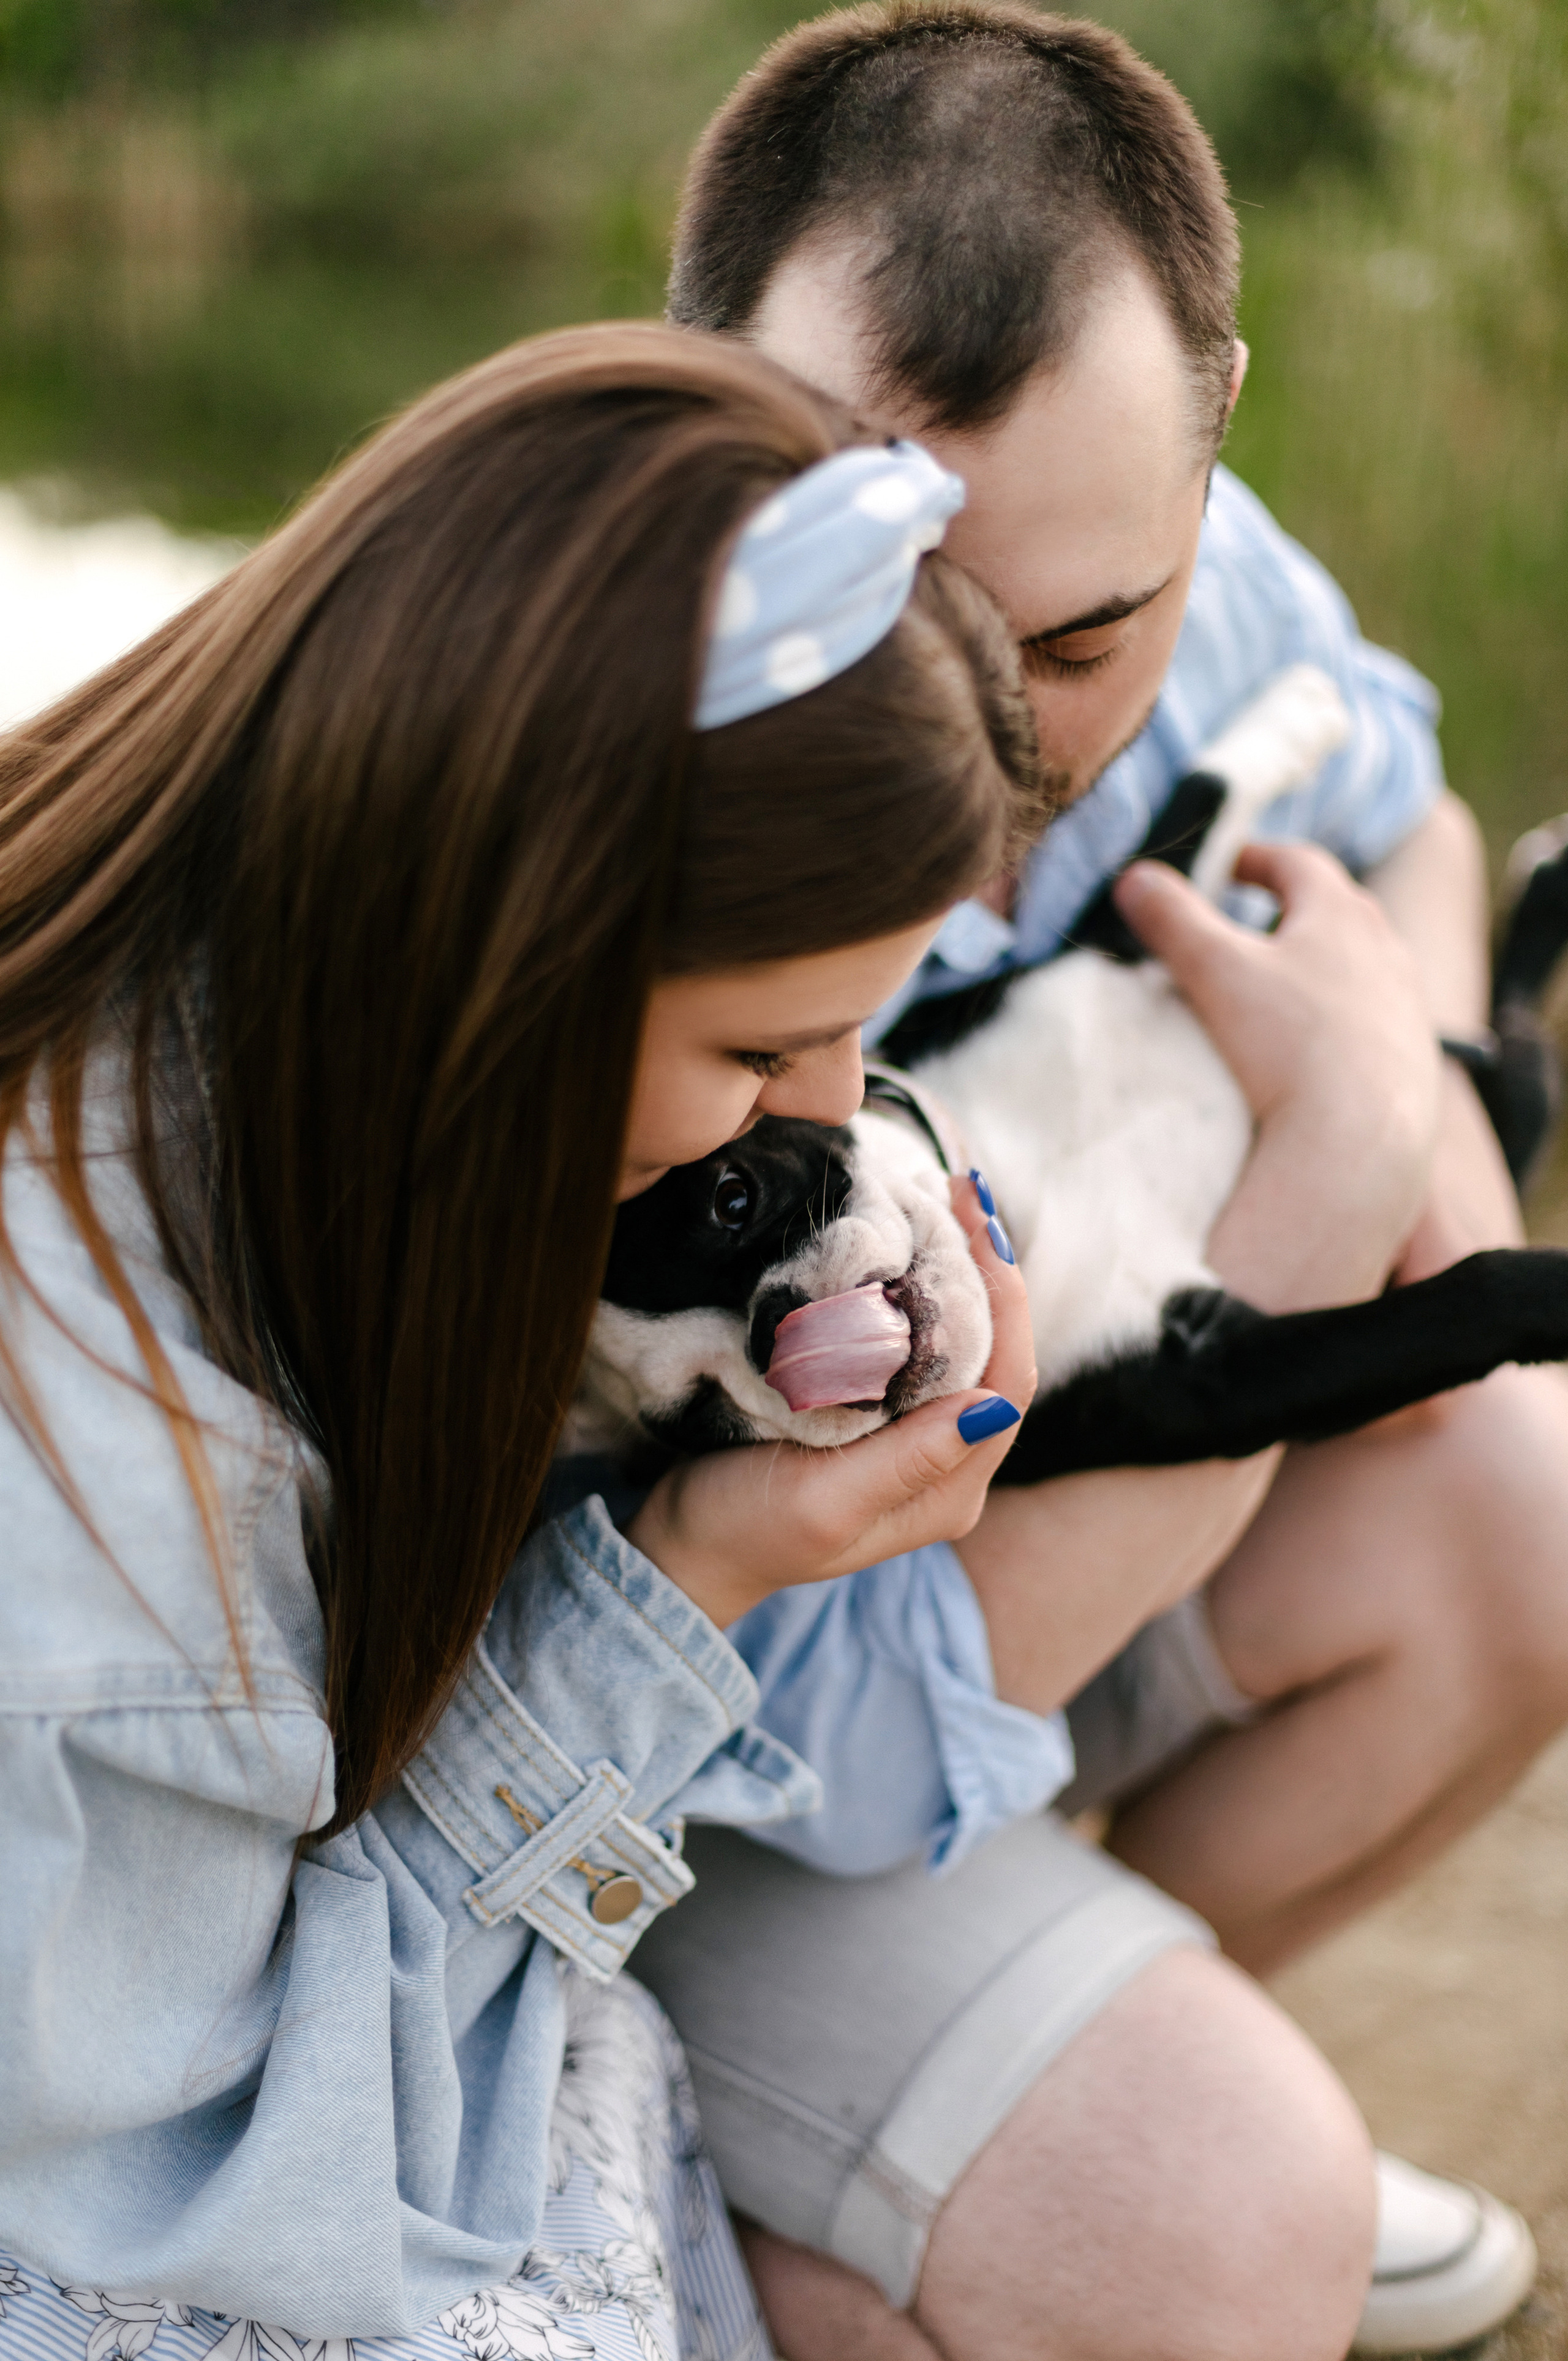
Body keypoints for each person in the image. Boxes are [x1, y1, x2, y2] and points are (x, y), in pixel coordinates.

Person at [630, 9, 1568, 2359]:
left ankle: (1098, 2033)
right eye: (918, 616)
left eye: (1086, 636)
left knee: (1528, 1511)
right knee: (1196, 2203)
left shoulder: (1207, 565)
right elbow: (807, 1724)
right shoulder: (602, 776)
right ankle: (813, 2184)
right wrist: (1337, 1184)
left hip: (1016, 1544)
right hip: (701, 1735)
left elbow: (1407, 800)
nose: (1009, 738)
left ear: (1210, 428)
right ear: (700, 406)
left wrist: (1422, 1058)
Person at [0, 321, 1060, 2358]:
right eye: (765, 1046)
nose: (842, 1116)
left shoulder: (242, 996)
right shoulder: (108, 1466)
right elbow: (270, 2176)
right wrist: (693, 1582)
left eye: (860, 1034)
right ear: (515, 942)